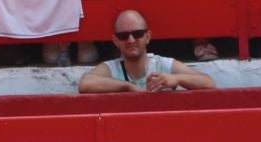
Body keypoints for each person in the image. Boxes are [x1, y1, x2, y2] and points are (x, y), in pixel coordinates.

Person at [81, 11, 216, 92]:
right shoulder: (112, 68)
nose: (131, 40)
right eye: (123, 36)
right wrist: (128, 87)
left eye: (138, 33)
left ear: (148, 36)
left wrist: (176, 79)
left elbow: (208, 83)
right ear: (115, 41)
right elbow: (86, 84)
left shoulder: (163, 64)